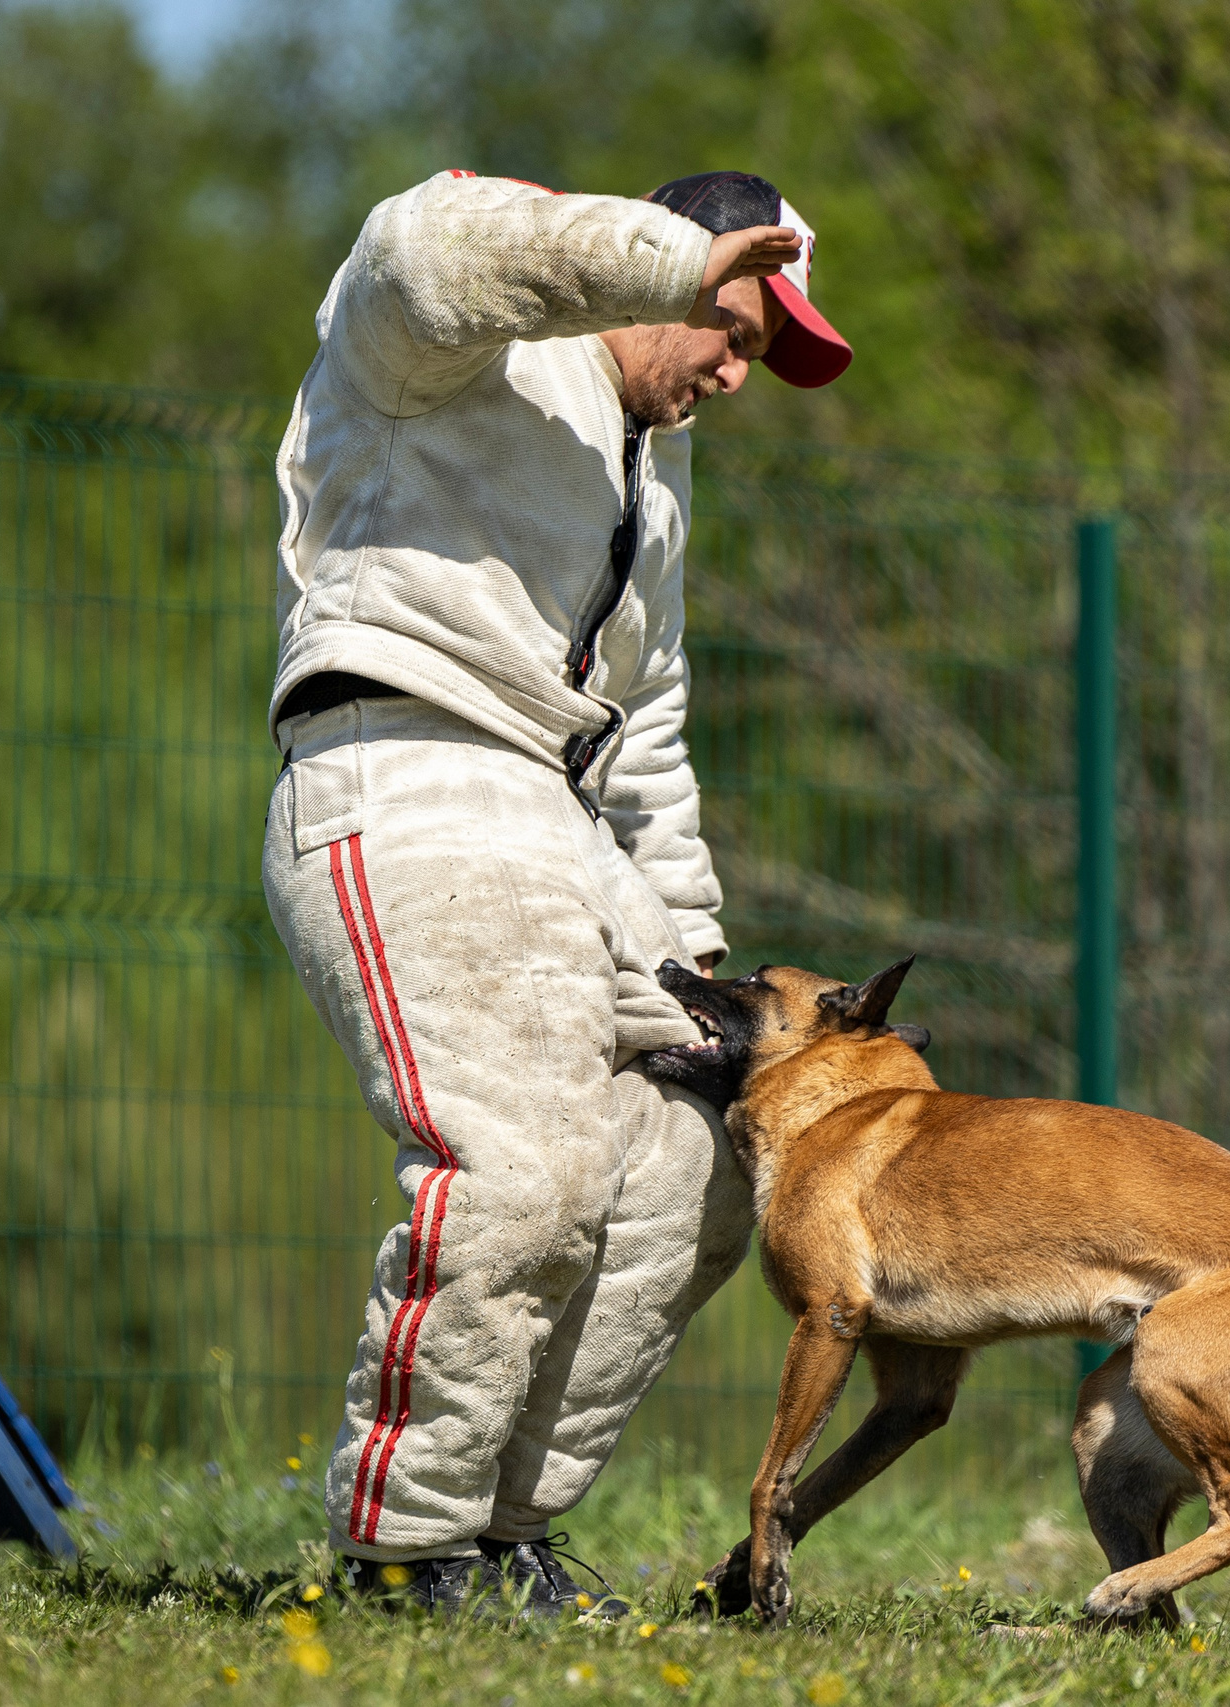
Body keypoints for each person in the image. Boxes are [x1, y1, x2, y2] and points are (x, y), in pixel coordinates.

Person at [258, 168, 853, 1616]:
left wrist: (697, 959)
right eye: (732, 331)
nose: (735, 376)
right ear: (662, 271)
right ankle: (403, 1545)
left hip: (563, 820)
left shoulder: (659, 469)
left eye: (758, 356)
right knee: (522, 1177)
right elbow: (420, 238)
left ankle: (501, 1532)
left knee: (704, 1164)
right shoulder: (456, 349)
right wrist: (668, 257)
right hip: (406, 759)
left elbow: (649, 720)